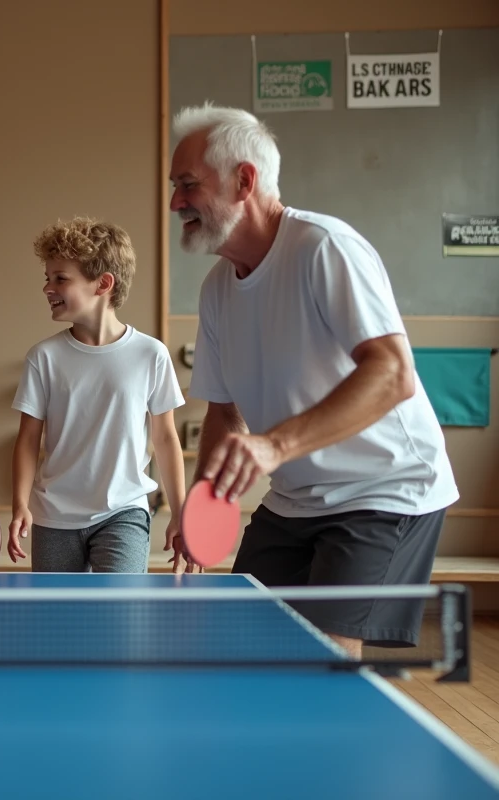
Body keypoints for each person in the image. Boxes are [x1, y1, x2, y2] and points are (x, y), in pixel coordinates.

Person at [169, 102, 459, 657]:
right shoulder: (216, 290)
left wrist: (275, 445)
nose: (175, 202)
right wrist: (203, 499)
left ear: (244, 180)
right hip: (294, 499)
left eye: (188, 184)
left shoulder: (323, 248)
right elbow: (224, 414)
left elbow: (393, 373)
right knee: (244, 642)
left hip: (385, 488)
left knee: (322, 656)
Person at [7, 216, 190, 574]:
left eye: (61, 278)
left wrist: (181, 511)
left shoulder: (151, 355)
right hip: (54, 517)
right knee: (59, 623)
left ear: (103, 284)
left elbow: (166, 438)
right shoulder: (43, 358)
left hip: (124, 511)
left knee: (118, 616)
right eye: (48, 277)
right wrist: (19, 505)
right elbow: (28, 440)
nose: (48, 287)